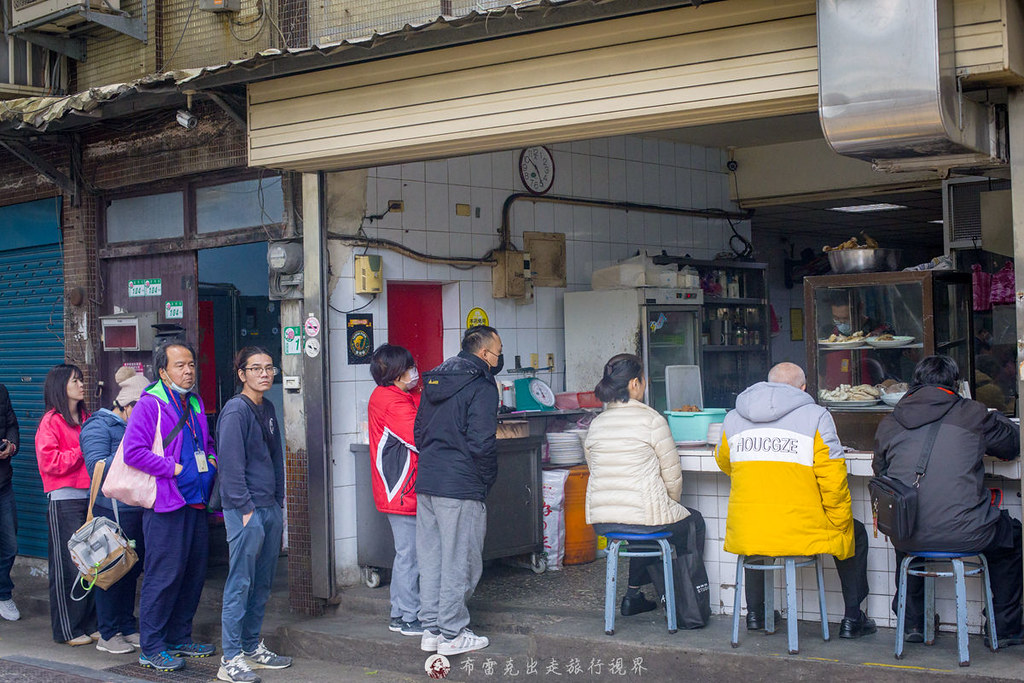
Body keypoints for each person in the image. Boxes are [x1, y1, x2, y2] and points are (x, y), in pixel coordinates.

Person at [716, 362, 874, 638]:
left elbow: (725, 462)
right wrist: (839, 522)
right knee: (854, 531)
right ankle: (852, 618)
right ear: (803, 388)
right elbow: (833, 480)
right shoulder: (816, 416)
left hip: (748, 528)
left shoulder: (733, 417)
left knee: (758, 533)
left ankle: (756, 613)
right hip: (800, 528)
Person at [874, 355, 1022, 645]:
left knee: (907, 536)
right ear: (956, 384)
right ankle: (1004, 628)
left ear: (915, 384)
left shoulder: (890, 421)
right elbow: (1011, 443)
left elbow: (881, 473)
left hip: (908, 535)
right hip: (969, 535)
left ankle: (912, 622)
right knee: (1011, 537)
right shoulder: (972, 413)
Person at [583, 353, 706, 617]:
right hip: (643, 517)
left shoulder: (596, 424)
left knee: (644, 524)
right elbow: (673, 477)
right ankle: (687, 603)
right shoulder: (652, 420)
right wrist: (670, 504)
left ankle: (633, 595)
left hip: (604, 521)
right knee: (689, 522)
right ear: (634, 384)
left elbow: (596, 470)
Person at [122, 341, 217, 672]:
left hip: (196, 503)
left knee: (192, 574)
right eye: (180, 365)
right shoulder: (151, 404)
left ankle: (179, 636)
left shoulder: (195, 401)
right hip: (166, 504)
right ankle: (151, 646)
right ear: (163, 372)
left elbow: (205, 443)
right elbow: (133, 451)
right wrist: (173, 469)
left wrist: (213, 461)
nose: (189, 370)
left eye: (191, 364)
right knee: (163, 576)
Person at [414, 325, 502, 656]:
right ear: (484, 354)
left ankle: (432, 629)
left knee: (433, 557)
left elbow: (419, 430)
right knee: (459, 560)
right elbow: (482, 441)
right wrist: (484, 479)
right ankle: (452, 634)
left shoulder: (436, 379)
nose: (499, 357)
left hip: (429, 481)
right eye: (497, 351)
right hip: (460, 485)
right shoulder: (482, 385)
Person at [216, 347, 291, 683]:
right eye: (256, 368)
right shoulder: (235, 411)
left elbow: (276, 459)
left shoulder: (269, 407)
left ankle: (250, 647)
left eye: (269, 368)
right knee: (240, 584)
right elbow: (230, 467)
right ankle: (229, 659)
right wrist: (246, 511)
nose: (264, 373)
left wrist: (278, 502)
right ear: (241, 374)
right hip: (244, 510)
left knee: (262, 583)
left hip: (269, 507)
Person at [81, 367, 151, 655]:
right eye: (142, 409)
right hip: (109, 513)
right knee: (110, 573)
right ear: (127, 406)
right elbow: (97, 466)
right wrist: (131, 446)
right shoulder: (98, 426)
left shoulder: (132, 424)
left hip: (135, 510)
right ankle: (108, 633)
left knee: (131, 571)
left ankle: (126, 625)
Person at [35, 363, 97, 645]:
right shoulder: (51, 421)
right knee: (68, 566)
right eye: (75, 381)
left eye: (81, 380)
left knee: (93, 563)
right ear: (61, 387)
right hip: (64, 500)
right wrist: (81, 450)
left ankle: (91, 623)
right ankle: (68, 629)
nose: (81, 385)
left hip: (91, 497)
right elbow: (50, 463)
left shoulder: (87, 417)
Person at [367, 344, 422, 636]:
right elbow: (419, 438)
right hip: (402, 488)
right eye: (410, 367)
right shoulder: (393, 402)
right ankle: (409, 617)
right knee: (409, 555)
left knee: (406, 554)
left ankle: (399, 613)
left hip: (399, 488)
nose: (415, 372)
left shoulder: (394, 395)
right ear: (396, 372)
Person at [0, 382, 20, 623]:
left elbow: (12, 424)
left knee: (9, 543)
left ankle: (3, 593)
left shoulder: (2, 390)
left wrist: (11, 446)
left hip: (3, 482)